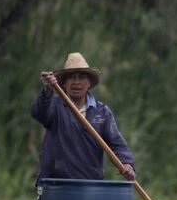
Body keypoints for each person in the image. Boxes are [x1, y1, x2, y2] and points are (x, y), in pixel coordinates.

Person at [32, 52, 136, 182]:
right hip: (55, 183)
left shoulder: (102, 112)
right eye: (71, 78)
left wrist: (126, 164)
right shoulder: (53, 105)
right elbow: (38, 113)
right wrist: (47, 89)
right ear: (63, 83)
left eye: (81, 77)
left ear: (89, 83)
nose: (76, 82)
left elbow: (117, 144)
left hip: (90, 184)